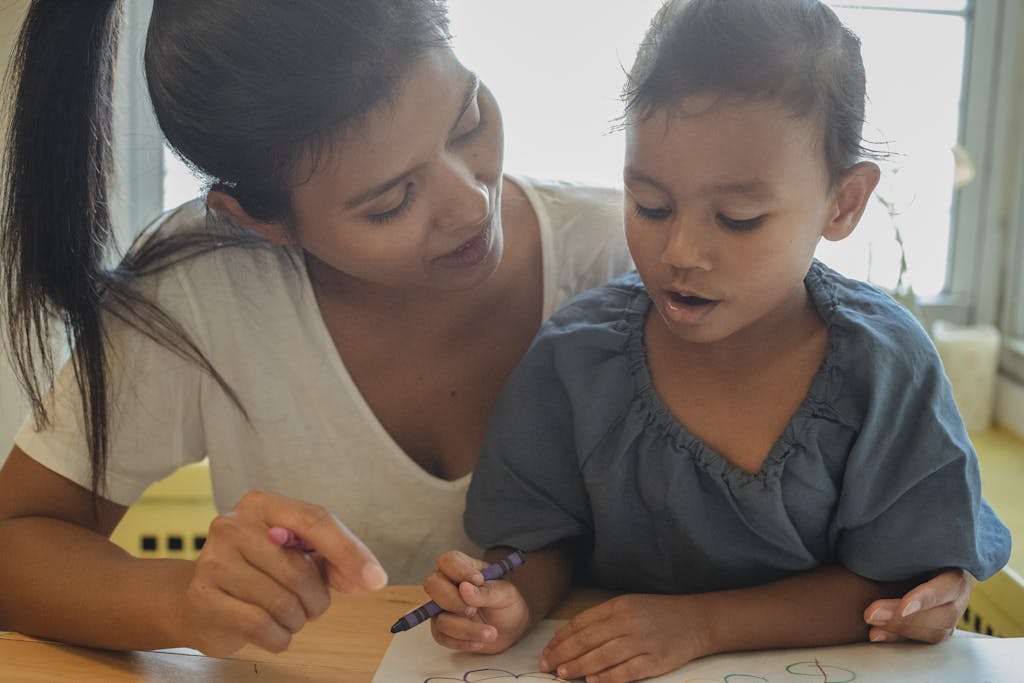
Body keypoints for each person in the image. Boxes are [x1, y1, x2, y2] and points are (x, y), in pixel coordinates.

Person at [0, 0, 974, 659]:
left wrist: (921, 583)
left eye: (468, 119)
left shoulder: (630, 259)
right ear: (258, 220)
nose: (469, 207)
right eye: (389, 201)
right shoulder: (199, 299)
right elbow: (15, 544)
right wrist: (180, 600)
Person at [422, 0, 1012, 681]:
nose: (682, 250)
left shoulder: (885, 370)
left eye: (738, 218)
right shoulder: (575, 362)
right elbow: (540, 542)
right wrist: (508, 596)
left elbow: (892, 588)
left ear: (842, 203)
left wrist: (701, 625)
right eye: (650, 205)